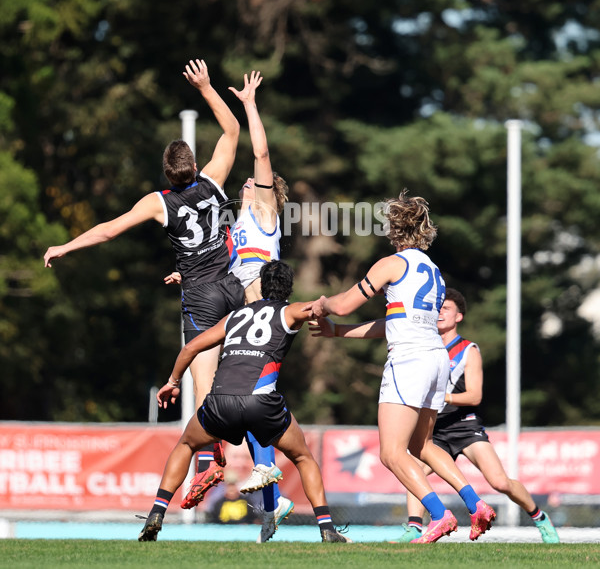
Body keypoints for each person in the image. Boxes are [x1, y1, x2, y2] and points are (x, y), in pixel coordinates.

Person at [44, 58, 248, 496]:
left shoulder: (159, 203)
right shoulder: (213, 181)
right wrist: (207, 88)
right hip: (233, 288)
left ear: (167, 173)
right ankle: (252, 447)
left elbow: (108, 230)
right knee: (250, 368)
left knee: (204, 381)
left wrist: (65, 245)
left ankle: (214, 460)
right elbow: (232, 131)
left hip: (200, 297)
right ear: (194, 166)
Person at [307, 190, 496, 544]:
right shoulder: (434, 271)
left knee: (391, 453)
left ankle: (439, 516)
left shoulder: (392, 264)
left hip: (408, 360)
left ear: (392, 229)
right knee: (422, 446)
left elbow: (346, 303)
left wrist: (322, 304)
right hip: (436, 358)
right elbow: (395, 321)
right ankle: (477, 504)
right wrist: (338, 333)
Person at [138, 260, 350, 544]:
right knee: (302, 457)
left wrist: (172, 382)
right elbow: (325, 306)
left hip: (220, 401)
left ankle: (157, 513)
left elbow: (190, 347)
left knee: (187, 445)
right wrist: (335, 307)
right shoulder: (290, 311)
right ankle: (326, 529)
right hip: (261, 403)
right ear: (289, 288)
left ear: (261, 286)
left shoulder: (234, 317)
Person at [165, 74, 293, 541]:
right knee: (239, 400)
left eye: (254, 184)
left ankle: (243, 473)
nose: (245, 183)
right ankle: (270, 500)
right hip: (240, 313)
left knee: (248, 399)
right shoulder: (236, 227)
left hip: (261, 315)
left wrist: (251, 104)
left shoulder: (264, 214)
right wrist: (187, 274)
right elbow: (219, 267)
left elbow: (259, 153)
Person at [393, 288, 560, 543]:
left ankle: (540, 518)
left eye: (446, 309)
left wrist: (441, 396)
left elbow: (474, 396)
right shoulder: (424, 346)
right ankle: (414, 528)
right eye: (437, 308)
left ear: (458, 316)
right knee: (413, 472)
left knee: (499, 481)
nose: (439, 313)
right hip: (435, 429)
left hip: (464, 427)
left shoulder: (467, 349)